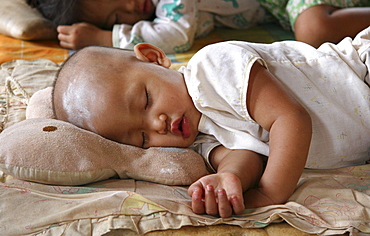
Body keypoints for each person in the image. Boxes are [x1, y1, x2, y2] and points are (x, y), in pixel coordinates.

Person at [52, 27, 370, 218]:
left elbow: (290, 119)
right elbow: (244, 155)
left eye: (146, 100)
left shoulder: (213, 68)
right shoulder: (199, 140)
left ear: (153, 57)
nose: (157, 124)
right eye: (142, 138)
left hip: (362, 73)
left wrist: (270, 195)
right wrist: (227, 179)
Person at [26, 0, 370, 53]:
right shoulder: (159, 7)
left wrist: (106, 37)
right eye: (118, 16)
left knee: (313, 31)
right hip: (285, 4)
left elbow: (177, 34)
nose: (131, 4)